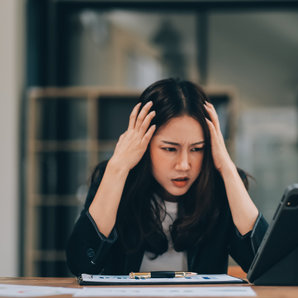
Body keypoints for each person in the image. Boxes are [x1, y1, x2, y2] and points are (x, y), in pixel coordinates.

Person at [66, 78, 268, 276]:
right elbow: (82, 264)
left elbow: (263, 263)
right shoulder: (114, 178)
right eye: (170, 149)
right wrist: (117, 168)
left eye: (197, 149)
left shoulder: (220, 187)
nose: (183, 165)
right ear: (144, 145)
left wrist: (227, 168)